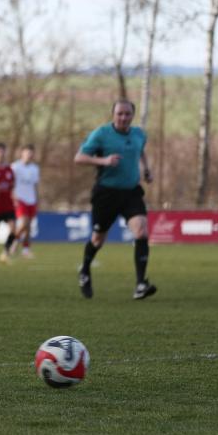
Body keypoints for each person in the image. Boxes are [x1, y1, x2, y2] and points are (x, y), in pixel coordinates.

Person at [74, 99, 157, 300]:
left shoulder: (138, 134)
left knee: (141, 230)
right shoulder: (101, 134)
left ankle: (140, 284)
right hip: (106, 193)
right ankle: (85, 270)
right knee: (98, 239)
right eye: (120, 113)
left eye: (127, 114)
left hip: (131, 192)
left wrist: (146, 170)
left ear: (132, 115)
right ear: (113, 114)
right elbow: (79, 158)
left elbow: (140, 150)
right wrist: (104, 160)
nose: (123, 117)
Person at [11, 144, 40, 258]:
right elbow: (11, 183)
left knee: (28, 227)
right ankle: (13, 243)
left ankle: (26, 250)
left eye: (31, 153)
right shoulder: (15, 167)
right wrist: (13, 197)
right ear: (22, 153)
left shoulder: (35, 168)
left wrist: (37, 200)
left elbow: (35, 185)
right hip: (19, 198)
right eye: (27, 152)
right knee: (24, 223)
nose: (29, 155)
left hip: (31, 199)